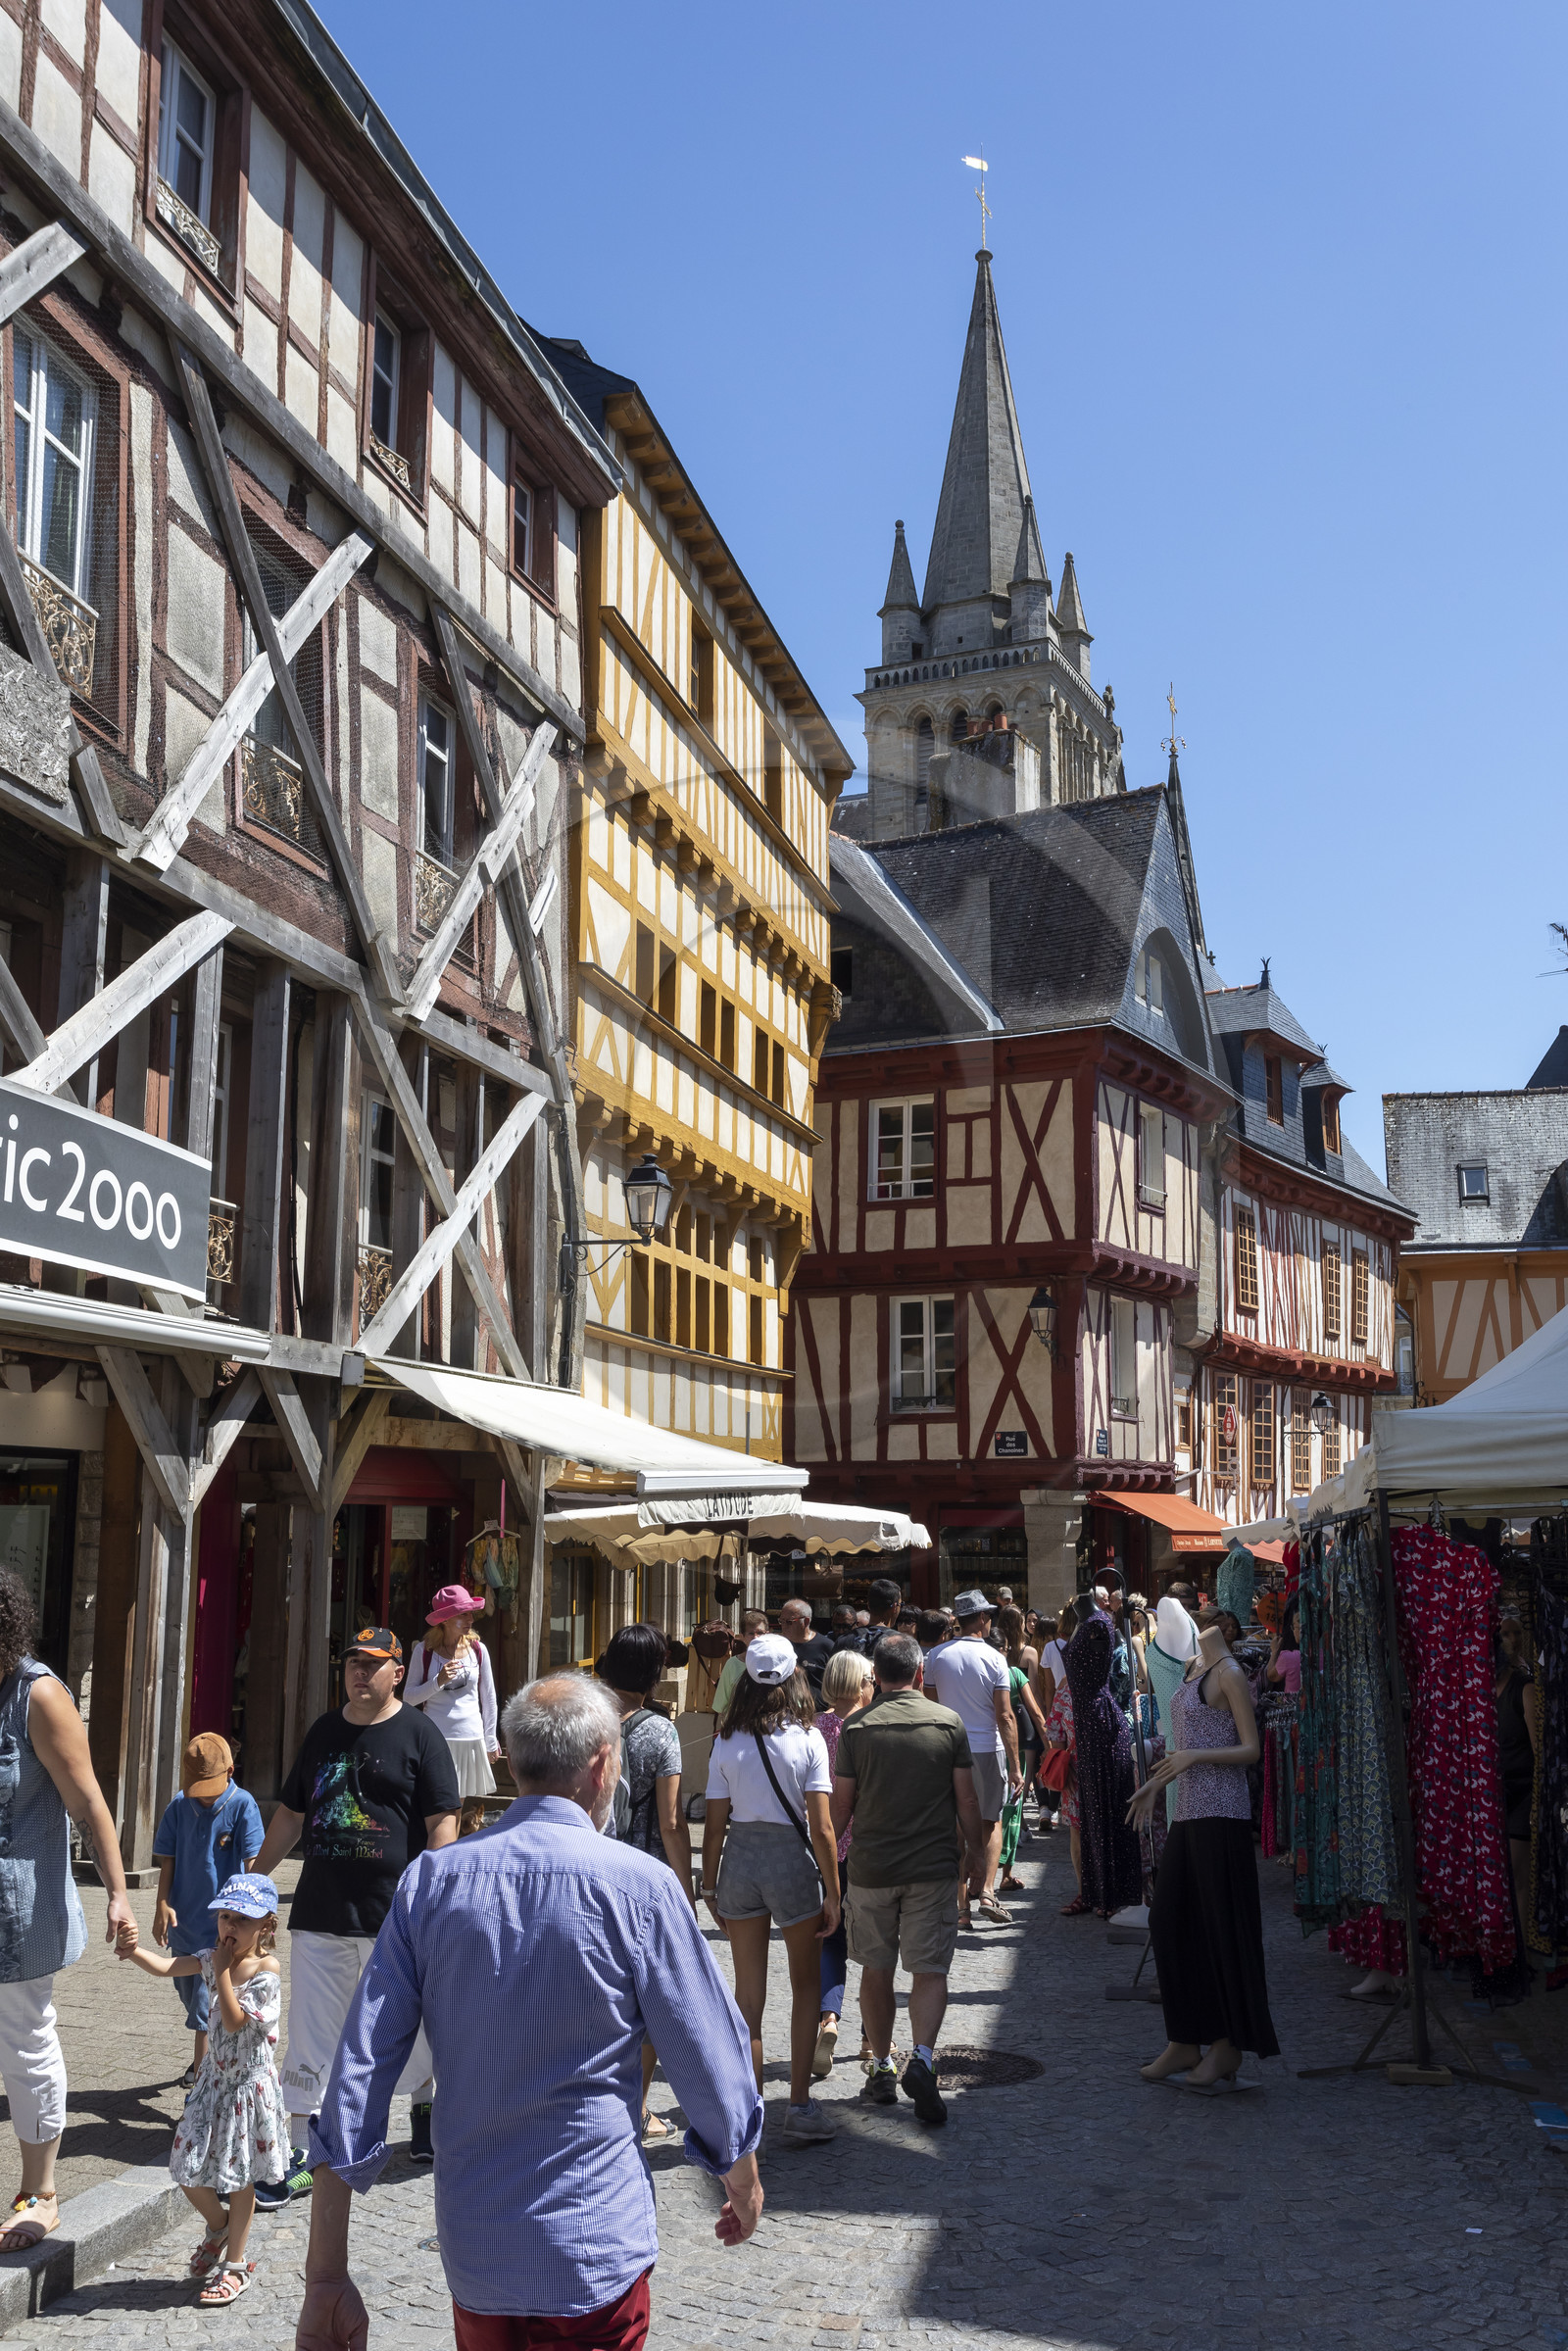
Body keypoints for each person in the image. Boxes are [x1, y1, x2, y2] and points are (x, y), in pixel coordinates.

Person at [296, 1674, 763, 2350]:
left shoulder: (431, 1881)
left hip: (479, 2245)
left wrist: (325, 2275)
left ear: (510, 1761)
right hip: (595, 2241)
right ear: (604, 1762)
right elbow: (706, 2054)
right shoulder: (640, 1885)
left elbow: (360, 2065)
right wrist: (741, 2177)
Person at [251, 1625, 459, 2191]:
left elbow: (444, 1820)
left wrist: (433, 1891)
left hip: (397, 1915)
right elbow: (292, 1816)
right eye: (351, 1664)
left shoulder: (421, 1734)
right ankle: (301, 2146)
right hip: (321, 1911)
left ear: (398, 1670)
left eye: (372, 1664)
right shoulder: (322, 1733)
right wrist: (252, 1879)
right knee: (312, 2031)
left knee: (412, 2029)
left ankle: (424, 2105)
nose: (360, 1673)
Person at [0, 1572, 136, 2254]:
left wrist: (117, 1890)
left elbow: (87, 1802)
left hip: (17, 1908)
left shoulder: (39, 1694)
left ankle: (40, 2190)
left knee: (24, 2040)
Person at [831, 1632, 982, 2127]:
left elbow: (841, 1808)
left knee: (875, 1970)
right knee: (930, 1971)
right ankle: (921, 2057)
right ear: (920, 1674)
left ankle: (879, 2067)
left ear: (876, 1676)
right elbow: (966, 1800)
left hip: (872, 1868)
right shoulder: (947, 1723)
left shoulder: (857, 1730)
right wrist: (977, 1854)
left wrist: (831, 1867)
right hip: (932, 1868)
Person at [119, 1873, 288, 2308]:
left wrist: (222, 1974)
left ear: (266, 1926)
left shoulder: (266, 1972)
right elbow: (169, 1967)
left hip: (247, 2093)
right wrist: (133, 1950)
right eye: (224, 1917)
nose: (228, 1927)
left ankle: (236, 2264)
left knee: (241, 2176)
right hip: (213, 2085)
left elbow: (233, 2021)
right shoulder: (215, 1957)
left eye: (241, 1920)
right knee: (185, 2164)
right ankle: (219, 2225)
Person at [701, 1636, 841, 2146]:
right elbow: (822, 1828)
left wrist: (709, 1886)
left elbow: (714, 1827)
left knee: (748, 1996)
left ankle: (750, 2109)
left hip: (741, 1859)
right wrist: (833, 1889)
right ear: (793, 1676)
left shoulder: (724, 1741)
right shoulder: (808, 1740)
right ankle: (799, 2105)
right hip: (790, 1862)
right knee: (806, 1986)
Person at [1131, 1608, 1278, 2090]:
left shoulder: (1230, 1671)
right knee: (1168, 1920)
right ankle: (1184, 2040)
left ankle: (1226, 2046)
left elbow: (1251, 1749)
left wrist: (1193, 1757)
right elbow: (1183, 1743)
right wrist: (1156, 1784)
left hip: (1222, 1816)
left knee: (1219, 1931)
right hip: (1188, 1813)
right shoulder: (1196, 1664)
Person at [596, 1623, 695, 2145]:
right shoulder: (659, 1731)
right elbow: (673, 1821)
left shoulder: (585, 1720)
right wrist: (687, 1890)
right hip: (642, 1878)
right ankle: (632, 2106)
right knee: (645, 1998)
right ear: (655, 1673)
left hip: (589, 1869)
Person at [151, 1735, 265, 2086]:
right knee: (189, 1993)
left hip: (224, 1929)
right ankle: (205, 2058)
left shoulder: (243, 1805)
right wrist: (161, 1903)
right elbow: (167, 1860)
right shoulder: (178, 1806)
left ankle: (201, 2086)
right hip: (183, 1922)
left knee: (205, 2008)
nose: (203, 1793)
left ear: (231, 1771)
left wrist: (253, 1920)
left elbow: (253, 1865)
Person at [924, 1592, 1020, 1927]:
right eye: (989, 1614)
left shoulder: (934, 1656)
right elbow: (1005, 1716)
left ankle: (961, 1906)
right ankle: (988, 1892)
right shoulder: (995, 1659)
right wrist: (1017, 1766)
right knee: (990, 1821)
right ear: (980, 1618)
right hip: (986, 1749)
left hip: (948, 1749)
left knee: (955, 1828)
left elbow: (931, 1709)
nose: (991, 1619)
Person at [811, 1647, 874, 2080]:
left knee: (830, 1937)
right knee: (874, 1942)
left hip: (825, 1848)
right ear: (861, 1683)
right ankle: (874, 2039)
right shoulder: (871, 1727)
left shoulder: (813, 1728)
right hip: (869, 1847)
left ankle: (828, 2018)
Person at [405, 1588, 501, 1807]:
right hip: (435, 1738)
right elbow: (409, 1698)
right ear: (446, 1619)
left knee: (455, 1807)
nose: (471, 1619)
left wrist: (490, 1739)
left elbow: (488, 1698)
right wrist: (437, 1682)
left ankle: (450, 1843)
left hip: (469, 1737)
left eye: (470, 1613)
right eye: (463, 1614)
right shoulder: (424, 1651)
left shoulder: (478, 1650)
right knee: (431, 1806)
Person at [996, 1608, 1051, 1892]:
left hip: (988, 1738)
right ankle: (1005, 1869)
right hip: (1019, 1732)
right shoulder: (1022, 1663)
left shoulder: (986, 1669)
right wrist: (1048, 1738)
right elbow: (1036, 1703)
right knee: (1016, 1795)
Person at [1494, 1618, 1540, 1924]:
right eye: (1505, 1634)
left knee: (1516, 1875)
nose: (1512, 1640)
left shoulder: (1524, 1688)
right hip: (1491, 1793)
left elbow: (1540, 1750)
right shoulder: (1477, 1693)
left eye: (1516, 1632)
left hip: (1521, 1790)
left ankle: (1519, 1953)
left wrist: (1538, 1799)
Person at [1045, 1598, 1084, 1908]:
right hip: (1090, 1767)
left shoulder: (1067, 1687)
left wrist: (1061, 1755)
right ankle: (1095, 1890)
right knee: (1086, 1831)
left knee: (1079, 1832)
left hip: (1080, 1768)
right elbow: (1055, 1730)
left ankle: (1088, 1891)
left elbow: (1055, 1730)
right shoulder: (1110, 1683)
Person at [778, 1597, 836, 1702]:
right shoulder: (779, 1646)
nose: (783, 1626)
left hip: (817, 1713)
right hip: (786, 1711)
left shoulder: (826, 1646)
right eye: (781, 1621)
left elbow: (835, 1684)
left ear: (806, 1621)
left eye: (789, 1622)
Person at [712, 1611, 768, 1720]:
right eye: (751, 1633)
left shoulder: (775, 1665)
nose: (756, 1637)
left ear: (767, 1634)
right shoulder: (732, 1665)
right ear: (743, 1636)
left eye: (760, 1633)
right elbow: (721, 1707)